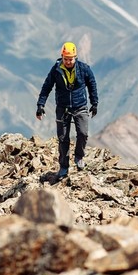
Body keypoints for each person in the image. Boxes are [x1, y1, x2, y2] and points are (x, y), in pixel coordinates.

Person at [36, 42, 98, 178]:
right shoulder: (56, 70)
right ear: (62, 57)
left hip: (80, 106)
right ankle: (64, 167)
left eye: (71, 59)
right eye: (66, 59)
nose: (68, 61)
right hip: (62, 108)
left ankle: (79, 157)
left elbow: (92, 84)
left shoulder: (84, 69)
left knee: (83, 133)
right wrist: (40, 105)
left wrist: (94, 103)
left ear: (75, 57)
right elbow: (47, 86)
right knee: (63, 138)